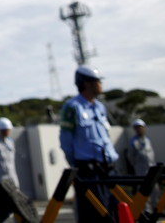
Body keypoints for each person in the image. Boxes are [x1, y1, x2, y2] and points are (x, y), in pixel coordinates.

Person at [59, 66, 119, 223]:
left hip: (109, 168)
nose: (100, 85)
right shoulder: (72, 107)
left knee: (116, 211)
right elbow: (66, 141)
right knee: (94, 215)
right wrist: (77, 166)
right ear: (86, 83)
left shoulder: (100, 107)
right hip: (89, 170)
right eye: (97, 81)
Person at [0, 118, 19, 188]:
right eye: (8, 130)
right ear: (2, 130)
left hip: (12, 175)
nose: (9, 132)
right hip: (1, 177)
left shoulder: (10, 142)